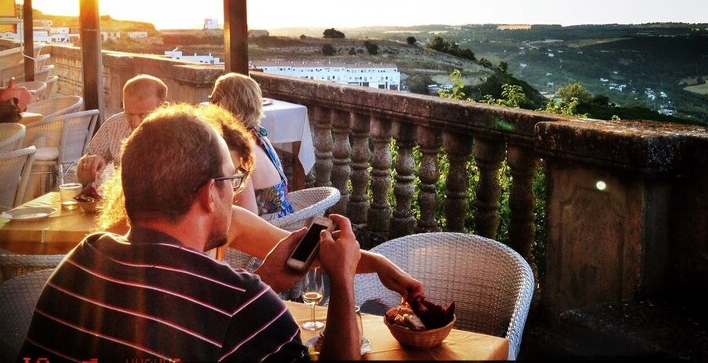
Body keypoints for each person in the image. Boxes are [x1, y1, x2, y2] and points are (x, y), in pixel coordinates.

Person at [21, 103, 363, 361]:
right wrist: (344, 282)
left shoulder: (81, 262)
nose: (235, 192)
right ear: (208, 195)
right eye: (232, 180)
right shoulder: (244, 304)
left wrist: (263, 280)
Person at [96, 102, 424, 302]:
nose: (235, 191)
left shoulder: (231, 222)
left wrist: (380, 265)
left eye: (240, 175)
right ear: (202, 187)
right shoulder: (125, 245)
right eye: (230, 178)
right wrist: (258, 289)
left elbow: (312, 252)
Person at [209, 72, 292, 218]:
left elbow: (247, 214)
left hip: (268, 228)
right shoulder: (259, 136)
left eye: (213, 99)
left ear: (222, 104)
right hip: (287, 218)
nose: (209, 104)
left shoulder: (236, 149)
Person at [76, 74, 167, 187]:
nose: (136, 123)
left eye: (143, 115)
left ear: (163, 108)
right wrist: (87, 166)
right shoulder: (114, 125)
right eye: (129, 113)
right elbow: (83, 178)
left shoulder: (177, 134)